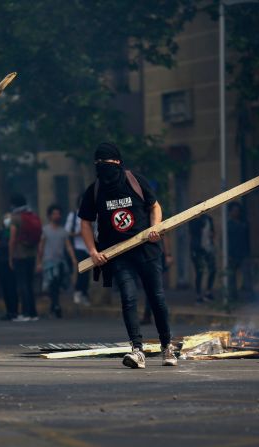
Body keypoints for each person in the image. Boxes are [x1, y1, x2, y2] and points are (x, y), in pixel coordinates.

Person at [79, 142, 177, 369]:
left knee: (157, 298)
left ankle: (167, 347)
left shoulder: (135, 180)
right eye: (99, 163)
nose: (103, 167)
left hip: (146, 250)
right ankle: (137, 350)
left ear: (118, 162)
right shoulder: (94, 190)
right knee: (128, 299)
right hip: (118, 255)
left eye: (107, 162)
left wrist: (156, 228)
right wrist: (93, 252)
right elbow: (85, 222)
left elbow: (155, 206)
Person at [37, 204, 77, 318]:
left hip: (60, 262)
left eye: (58, 213)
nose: (57, 216)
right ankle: (55, 306)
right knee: (52, 285)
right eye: (54, 213)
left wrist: (74, 259)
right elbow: (41, 246)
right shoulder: (45, 230)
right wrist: (39, 262)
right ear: (50, 216)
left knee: (57, 284)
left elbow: (68, 246)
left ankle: (55, 306)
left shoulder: (63, 231)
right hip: (48, 262)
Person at [9, 194, 42, 322]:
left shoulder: (15, 218)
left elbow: (12, 239)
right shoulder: (32, 216)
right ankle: (33, 313)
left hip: (19, 255)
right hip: (31, 255)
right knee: (29, 284)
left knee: (22, 284)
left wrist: (10, 256)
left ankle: (25, 313)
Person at [65, 195, 91, 306]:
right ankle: (78, 291)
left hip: (90, 247)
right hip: (78, 246)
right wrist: (78, 233)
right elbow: (67, 232)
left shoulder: (92, 213)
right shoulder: (73, 216)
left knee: (88, 272)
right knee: (81, 270)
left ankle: (84, 293)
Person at [189, 210, 216, 303]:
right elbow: (193, 232)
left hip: (208, 248)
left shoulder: (208, 219)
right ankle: (198, 295)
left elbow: (212, 232)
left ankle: (208, 292)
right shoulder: (193, 220)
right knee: (199, 272)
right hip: (197, 249)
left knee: (213, 269)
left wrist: (212, 236)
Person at [0, 213, 18, 320]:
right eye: (5, 218)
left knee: (12, 287)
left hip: (12, 261)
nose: (7, 220)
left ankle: (14, 311)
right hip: (1, 261)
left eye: (9, 218)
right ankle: (9, 311)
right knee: (5, 287)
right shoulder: (1, 232)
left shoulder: (15, 231)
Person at [227, 202, 252, 300]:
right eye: (234, 211)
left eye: (237, 211)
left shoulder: (244, 224)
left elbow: (247, 239)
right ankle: (232, 297)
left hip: (243, 253)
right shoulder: (228, 225)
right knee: (231, 277)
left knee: (247, 276)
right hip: (232, 254)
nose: (236, 213)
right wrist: (227, 254)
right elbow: (225, 241)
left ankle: (249, 296)